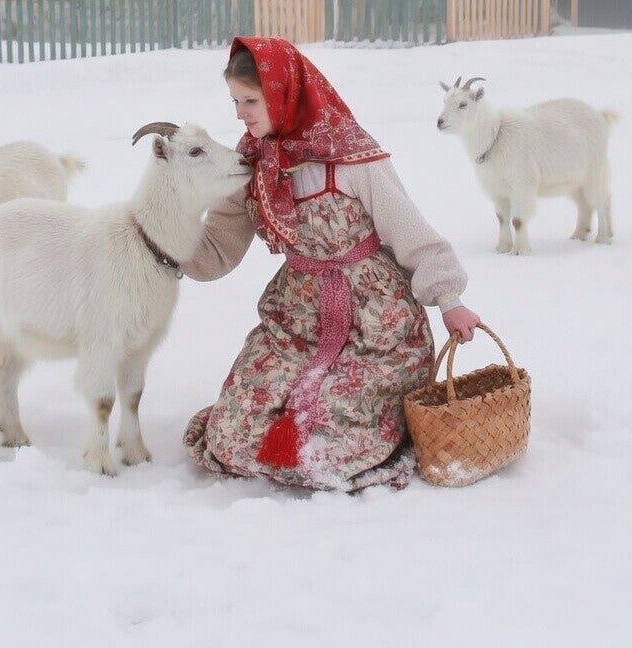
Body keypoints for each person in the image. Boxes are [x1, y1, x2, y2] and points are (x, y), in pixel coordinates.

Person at [183, 36, 480, 493]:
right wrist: (169, 239)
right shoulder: (251, 165)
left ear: (284, 94)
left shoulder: (352, 157)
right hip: (296, 324)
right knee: (233, 433)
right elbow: (217, 248)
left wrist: (449, 300)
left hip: (374, 326)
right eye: (235, 102)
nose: (240, 113)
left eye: (250, 101)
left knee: (335, 434)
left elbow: (411, 233)